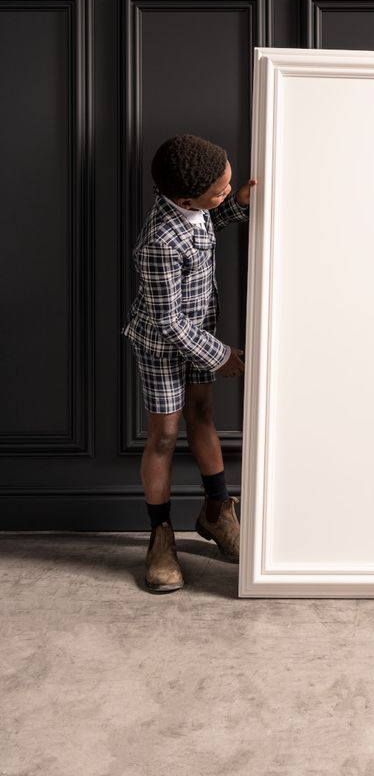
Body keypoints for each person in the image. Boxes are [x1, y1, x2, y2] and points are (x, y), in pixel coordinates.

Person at [121, 133, 256, 593]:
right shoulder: (159, 241)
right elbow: (167, 321)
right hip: (164, 344)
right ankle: (161, 534)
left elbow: (207, 221)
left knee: (203, 416)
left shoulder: (192, 209)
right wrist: (222, 357)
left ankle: (217, 512)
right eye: (219, 190)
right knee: (163, 435)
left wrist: (234, 203)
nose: (223, 192)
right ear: (183, 198)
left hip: (196, 334)